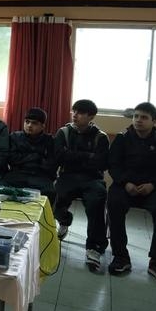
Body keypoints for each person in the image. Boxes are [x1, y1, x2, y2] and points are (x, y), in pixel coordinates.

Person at [107, 102, 156, 284]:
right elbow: (113, 164)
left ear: (154, 121)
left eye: (144, 117)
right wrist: (125, 182)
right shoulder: (122, 139)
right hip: (124, 186)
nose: (138, 120)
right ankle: (120, 256)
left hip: (151, 189)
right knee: (114, 204)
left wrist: (153, 185)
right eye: (136, 116)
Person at [52, 99, 110, 272]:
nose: (75, 115)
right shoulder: (64, 132)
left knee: (96, 203)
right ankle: (64, 220)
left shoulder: (101, 136)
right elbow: (59, 157)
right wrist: (88, 156)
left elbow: (101, 163)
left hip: (92, 179)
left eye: (80, 112)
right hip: (67, 175)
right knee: (55, 196)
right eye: (74, 111)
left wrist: (74, 156)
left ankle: (94, 248)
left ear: (91, 116)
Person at [0, 107, 56, 206]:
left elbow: (50, 164)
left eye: (34, 123)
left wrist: (24, 157)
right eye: (27, 122)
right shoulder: (15, 137)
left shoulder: (49, 140)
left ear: (43, 126)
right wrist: (36, 156)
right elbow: (12, 159)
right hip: (17, 174)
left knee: (50, 192)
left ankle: (44, 219)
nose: (29, 125)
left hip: (39, 176)